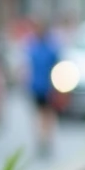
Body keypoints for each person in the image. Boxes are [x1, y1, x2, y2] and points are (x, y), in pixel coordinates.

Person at [25, 20, 60, 157]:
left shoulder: (48, 48)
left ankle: (45, 138)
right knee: (41, 114)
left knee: (47, 114)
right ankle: (41, 138)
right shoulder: (34, 47)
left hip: (48, 86)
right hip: (37, 86)